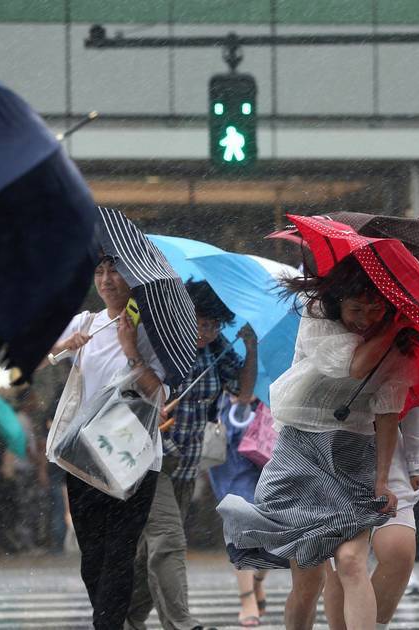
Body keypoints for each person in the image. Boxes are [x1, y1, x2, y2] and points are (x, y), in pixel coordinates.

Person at [218, 256, 419, 630]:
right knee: (308, 580)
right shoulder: (317, 316)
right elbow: (355, 366)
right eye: (355, 308)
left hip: (353, 453)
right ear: (338, 302)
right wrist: (393, 329)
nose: (364, 317)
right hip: (301, 449)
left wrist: (382, 479)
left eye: (375, 308)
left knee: (351, 560)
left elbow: (388, 413)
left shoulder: (401, 345)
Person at [46, 255, 167, 630]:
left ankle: (108, 624)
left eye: (115, 270)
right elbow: (33, 359)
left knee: (120, 551)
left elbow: (158, 396)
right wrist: (65, 344)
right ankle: (109, 618)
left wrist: (131, 348)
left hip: (135, 458)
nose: (107, 279)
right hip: (84, 454)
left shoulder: (152, 331)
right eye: (99, 271)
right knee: (93, 555)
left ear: (133, 277)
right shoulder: (86, 323)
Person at [126, 280, 254, 630]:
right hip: (151, 460)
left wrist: (251, 347)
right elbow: (133, 384)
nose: (205, 332)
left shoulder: (217, 352)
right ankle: (181, 624)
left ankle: (125, 617)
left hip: (186, 462)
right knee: (168, 541)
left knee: (147, 553)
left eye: (212, 325)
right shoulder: (163, 345)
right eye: (199, 322)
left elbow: (243, 393)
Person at [322, 406, 419, 630]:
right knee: (345, 561)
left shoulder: (400, 372)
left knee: (399, 551)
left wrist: (415, 461)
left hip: (388, 445)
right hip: (330, 444)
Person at [209, 394, 272, 628]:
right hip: (231, 431)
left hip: (269, 427)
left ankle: (258, 579)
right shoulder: (224, 356)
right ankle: (247, 598)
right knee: (240, 519)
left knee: (272, 524)